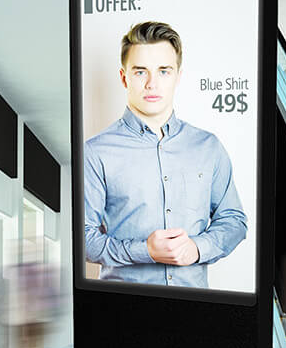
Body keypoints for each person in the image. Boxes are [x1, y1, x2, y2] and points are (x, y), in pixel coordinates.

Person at [82, 21, 246, 288]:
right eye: (140, 72)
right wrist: (144, 250)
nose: (151, 83)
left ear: (178, 76)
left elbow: (233, 220)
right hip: (124, 312)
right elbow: (84, 240)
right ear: (124, 77)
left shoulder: (208, 146)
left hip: (194, 309)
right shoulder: (96, 152)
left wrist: (197, 247)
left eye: (163, 71)